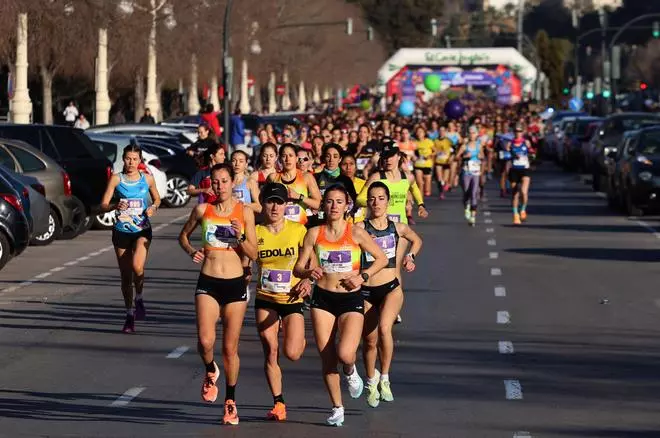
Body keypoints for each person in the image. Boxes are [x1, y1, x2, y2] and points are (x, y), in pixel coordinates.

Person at [293, 184, 388, 427]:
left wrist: (362, 277)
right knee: (327, 357)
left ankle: (350, 370)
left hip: (351, 298)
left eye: (339, 202)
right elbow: (298, 267)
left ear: (347, 206)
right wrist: (308, 271)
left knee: (346, 353)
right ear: (323, 205)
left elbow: (382, 258)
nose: (334, 206)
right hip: (322, 299)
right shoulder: (314, 233)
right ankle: (337, 407)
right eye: (329, 201)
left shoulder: (355, 232)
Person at [178, 163, 258, 426]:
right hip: (209, 281)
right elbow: (183, 236)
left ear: (232, 184)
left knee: (229, 348)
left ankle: (230, 402)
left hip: (235, 284)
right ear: (211, 184)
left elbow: (254, 253)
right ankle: (210, 369)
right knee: (205, 340)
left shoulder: (244, 212)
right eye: (216, 182)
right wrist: (192, 251)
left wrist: (241, 234)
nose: (220, 186)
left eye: (224, 181)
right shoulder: (203, 209)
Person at [357, 182, 422, 407]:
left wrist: (410, 257)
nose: (376, 203)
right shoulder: (360, 228)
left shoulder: (398, 228)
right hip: (366, 291)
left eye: (381, 198)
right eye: (372, 198)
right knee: (370, 340)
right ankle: (370, 379)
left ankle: (384, 377)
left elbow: (417, 240)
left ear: (388, 201)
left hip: (390, 288)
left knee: (385, 328)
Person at [253, 183, 311, 421]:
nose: (275, 207)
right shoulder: (256, 231)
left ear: (287, 205)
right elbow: (245, 261)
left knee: (292, 353)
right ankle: (278, 402)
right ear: (263, 203)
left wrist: (308, 282)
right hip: (265, 297)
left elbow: (311, 264)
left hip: (292, 297)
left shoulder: (298, 230)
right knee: (270, 350)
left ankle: (298, 337)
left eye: (280, 202)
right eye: (270, 201)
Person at [100, 144, 161, 333]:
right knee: (126, 276)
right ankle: (129, 314)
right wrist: (114, 206)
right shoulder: (116, 179)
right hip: (121, 230)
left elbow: (157, 199)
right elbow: (102, 204)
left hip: (142, 230)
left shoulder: (148, 179)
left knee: (137, 266)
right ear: (123, 160)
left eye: (135, 159)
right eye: (128, 158)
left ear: (140, 160)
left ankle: (140, 297)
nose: (131, 162)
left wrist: (153, 208)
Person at [268, 143, 321, 225]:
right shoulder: (273, 178)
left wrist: (299, 197)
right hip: (279, 227)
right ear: (280, 159)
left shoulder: (306, 177)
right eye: (284, 156)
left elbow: (319, 204)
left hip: (301, 227)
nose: (287, 159)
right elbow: (264, 203)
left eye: (291, 155)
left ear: (296, 158)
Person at [456, 126, 484, 226]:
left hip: (475, 171)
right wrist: (464, 156)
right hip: (466, 171)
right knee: (466, 191)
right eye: (470, 133)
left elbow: (482, 156)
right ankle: (466, 206)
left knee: (474, 193)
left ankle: (473, 216)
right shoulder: (464, 146)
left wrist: (480, 157)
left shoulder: (479, 145)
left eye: (474, 133)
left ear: (476, 134)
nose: (472, 135)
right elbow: (456, 157)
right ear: (468, 134)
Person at [508, 124, 532, 225]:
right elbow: (507, 153)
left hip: (525, 169)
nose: (518, 133)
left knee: (523, 191)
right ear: (514, 132)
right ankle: (515, 214)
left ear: (523, 132)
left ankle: (523, 209)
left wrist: (531, 156)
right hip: (514, 170)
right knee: (515, 194)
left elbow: (532, 153)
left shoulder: (526, 142)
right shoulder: (510, 143)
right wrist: (513, 155)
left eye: (520, 131)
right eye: (516, 131)